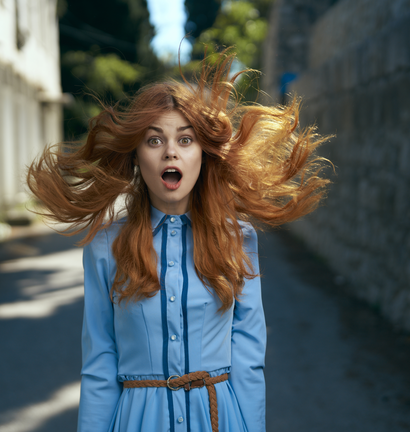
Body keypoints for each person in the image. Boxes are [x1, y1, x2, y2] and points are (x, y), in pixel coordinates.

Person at [27, 50, 331, 432]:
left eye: (185, 140)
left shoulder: (238, 239)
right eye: (154, 141)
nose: (171, 151)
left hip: (219, 421)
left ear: (203, 155)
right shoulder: (105, 248)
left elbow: (250, 359)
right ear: (137, 157)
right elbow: (100, 365)